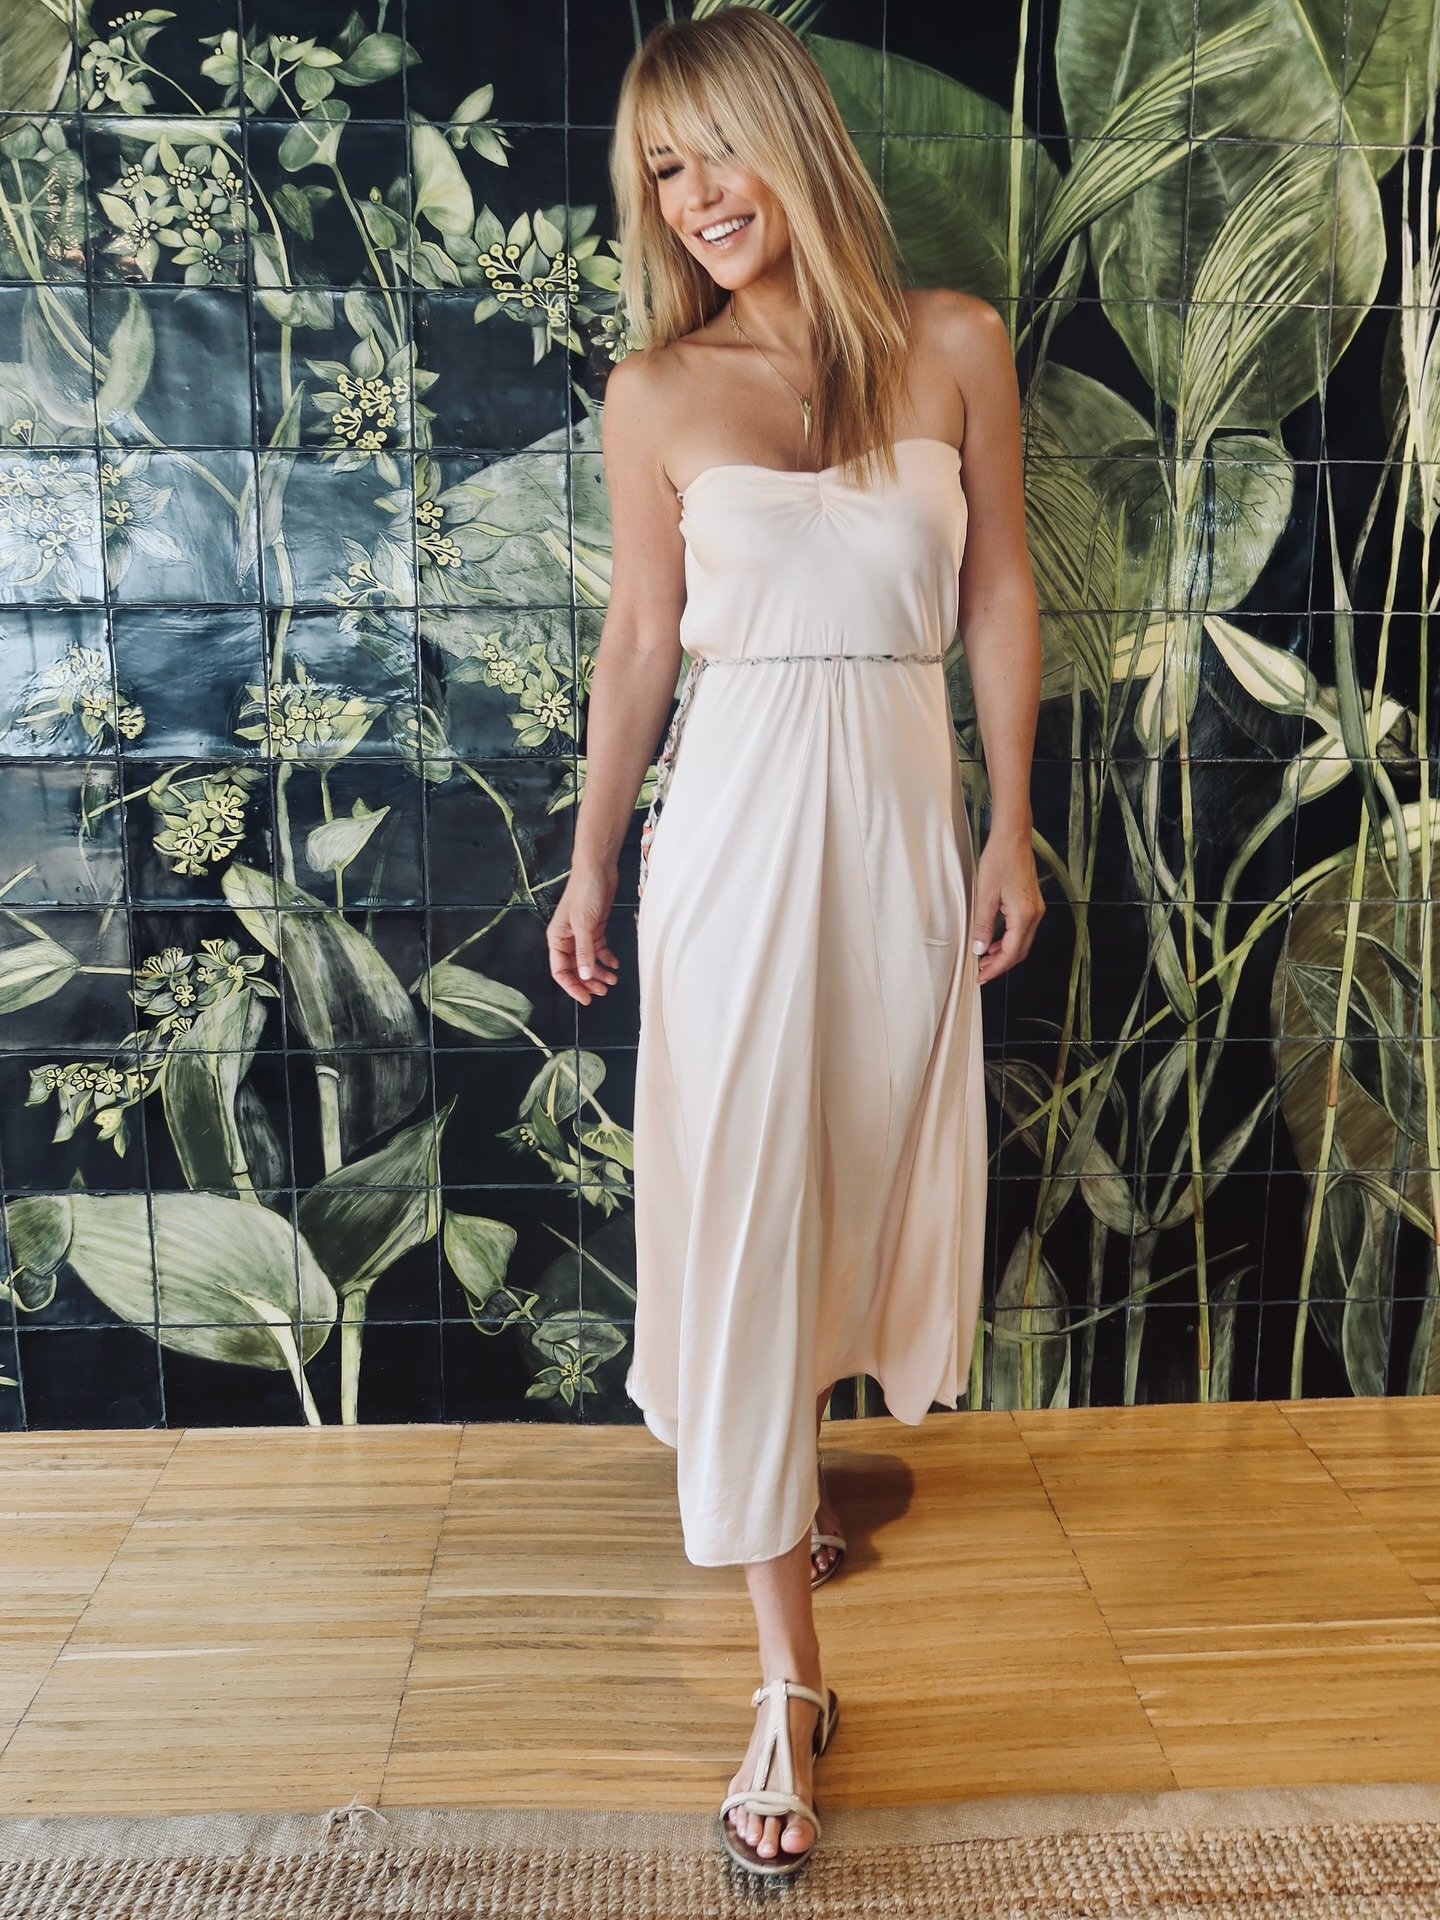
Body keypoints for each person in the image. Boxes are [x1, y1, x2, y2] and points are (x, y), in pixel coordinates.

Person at [546, 9, 1043, 1881]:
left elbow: (998, 592)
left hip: (904, 838)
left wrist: (1008, 823)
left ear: (797, 137)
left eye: (715, 152)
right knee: (753, 1201)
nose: (693, 199)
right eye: (661, 173)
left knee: (858, 1181)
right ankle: (786, 1687)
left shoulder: (955, 343)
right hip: (738, 845)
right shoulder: (657, 392)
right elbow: (637, 644)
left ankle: (784, 1482)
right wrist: (592, 861)